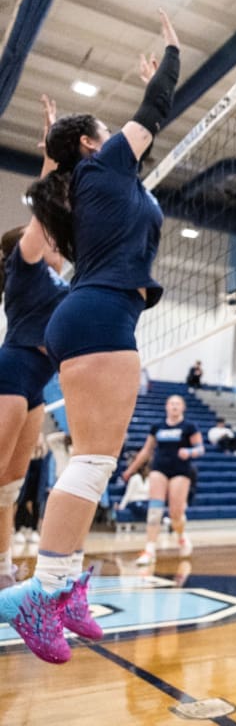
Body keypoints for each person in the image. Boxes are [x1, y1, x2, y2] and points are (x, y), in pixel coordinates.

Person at [0, 12, 181, 664]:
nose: (114, 139)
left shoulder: (94, 184)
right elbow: (158, 106)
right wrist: (169, 51)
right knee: (94, 459)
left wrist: (53, 150)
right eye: (103, 135)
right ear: (90, 147)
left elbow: (60, 181)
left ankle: (65, 583)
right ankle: (40, 590)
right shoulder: (100, 168)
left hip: (97, 313)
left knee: (95, 457)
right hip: (98, 313)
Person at [0, 96, 66, 591]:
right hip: (12, 374)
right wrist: (54, 153)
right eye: (49, 242)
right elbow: (44, 207)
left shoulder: (63, 285)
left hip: (37, 388)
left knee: (9, 490)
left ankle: (2, 567)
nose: (57, 247)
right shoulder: (24, 271)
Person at [122, 394, 203, 565]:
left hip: (180, 470)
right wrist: (130, 470)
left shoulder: (189, 426)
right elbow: (146, 451)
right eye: (171, 403)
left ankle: (181, 536)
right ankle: (150, 550)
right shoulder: (157, 427)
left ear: (183, 408)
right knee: (154, 511)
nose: (174, 406)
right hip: (159, 469)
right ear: (166, 406)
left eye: (178, 403)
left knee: (176, 513)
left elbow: (200, 448)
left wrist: (189, 452)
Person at [116, 453, 150, 524]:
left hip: (146, 502)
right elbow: (128, 494)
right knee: (142, 507)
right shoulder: (134, 478)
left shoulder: (149, 478)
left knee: (152, 508)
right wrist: (121, 507)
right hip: (135, 502)